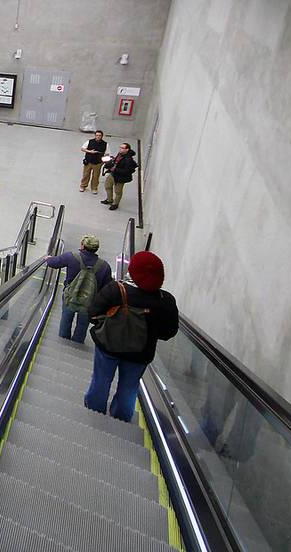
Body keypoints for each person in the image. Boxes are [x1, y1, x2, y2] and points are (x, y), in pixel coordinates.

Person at [84, 251, 179, 422]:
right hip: (140, 354)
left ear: (133, 270)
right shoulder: (166, 301)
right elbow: (169, 332)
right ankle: (120, 418)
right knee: (129, 388)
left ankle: (93, 412)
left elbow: (92, 314)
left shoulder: (116, 290)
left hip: (108, 347)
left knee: (101, 380)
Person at [46, 235, 112, 343]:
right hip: (89, 301)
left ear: (83, 246)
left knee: (66, 319)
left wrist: (48, 259)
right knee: (83, 324)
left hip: (70, 297)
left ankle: (63, 341)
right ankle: (78, 342)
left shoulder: (71, 257)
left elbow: (53, 263)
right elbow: (107, 287)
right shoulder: (104, 266)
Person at [101, 142, 137, 211]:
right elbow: (117, 162)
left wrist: (115, 169)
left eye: (122, 148)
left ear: (127, 149)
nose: (120, 149)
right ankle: (109, 199)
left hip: (120, 178)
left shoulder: (128, 160)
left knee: (118, 192)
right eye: (120, 147)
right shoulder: (120, 154)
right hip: (112, 174)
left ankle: (115, 204)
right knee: (107, 186)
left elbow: (126, 171)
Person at [80, 130, 107, 194]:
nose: (98, 137)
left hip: (98, 163)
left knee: (96, 176)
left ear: (102, 136)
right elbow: (82, 148)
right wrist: (90, 151)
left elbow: (107, 154)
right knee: (86, 175)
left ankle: (94, 188)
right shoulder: (89, 141)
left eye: (99, 135)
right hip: (88, 161)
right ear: (95, 135)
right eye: (97, 135)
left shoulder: (105, 144)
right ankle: (83, 186)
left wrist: (102, 162)